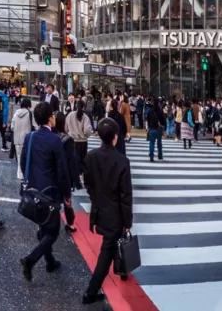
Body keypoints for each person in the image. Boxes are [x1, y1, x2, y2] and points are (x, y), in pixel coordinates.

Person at [81, 117, 133, 306]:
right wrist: (128, 221)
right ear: (115, 137)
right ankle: (90, 292)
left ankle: (122, 272)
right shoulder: (122, 161)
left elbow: (87, 184)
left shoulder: (90, 157)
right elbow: (126, 196)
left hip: (99, 210)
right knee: (107, 252)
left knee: (109, 247)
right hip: (116, 215)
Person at [18, 102, 71, 281]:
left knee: (44, 227)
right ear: (50, 118)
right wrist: (67, 195)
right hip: (50, 191)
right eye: (53, 115)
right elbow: (62, 171)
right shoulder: (55, 140)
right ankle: (30, 260)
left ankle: (50, 261)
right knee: (52, 231)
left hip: (33, 189)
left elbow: (23, 160)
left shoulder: (30, 137)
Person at [53, 111, 80, 233]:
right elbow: (72, 162)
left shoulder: (50, 137)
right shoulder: (67, 140)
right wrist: (76, 181)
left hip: (51, 172)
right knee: (67, 200)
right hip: (64, 175)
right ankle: (70, 223)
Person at [66, 99, 94, 174]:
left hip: (72, 140)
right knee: (82, 160)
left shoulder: (70, 115)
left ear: (76, 105)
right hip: (82, 142)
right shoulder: (85, 117)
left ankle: (74, 177)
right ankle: (81, 176)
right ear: (84, 107)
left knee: (73, 160)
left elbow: (65, 128)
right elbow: (87, 131)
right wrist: (86, 136)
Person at [12, 98, 36, 179]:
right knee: (26, 158)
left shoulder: (16, 113)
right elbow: (33, 125)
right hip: (26, 139)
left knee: (19, 158)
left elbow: (12, 127)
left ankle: (19, 175)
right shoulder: (29, 113)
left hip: (17, 139)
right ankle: (25, 175)